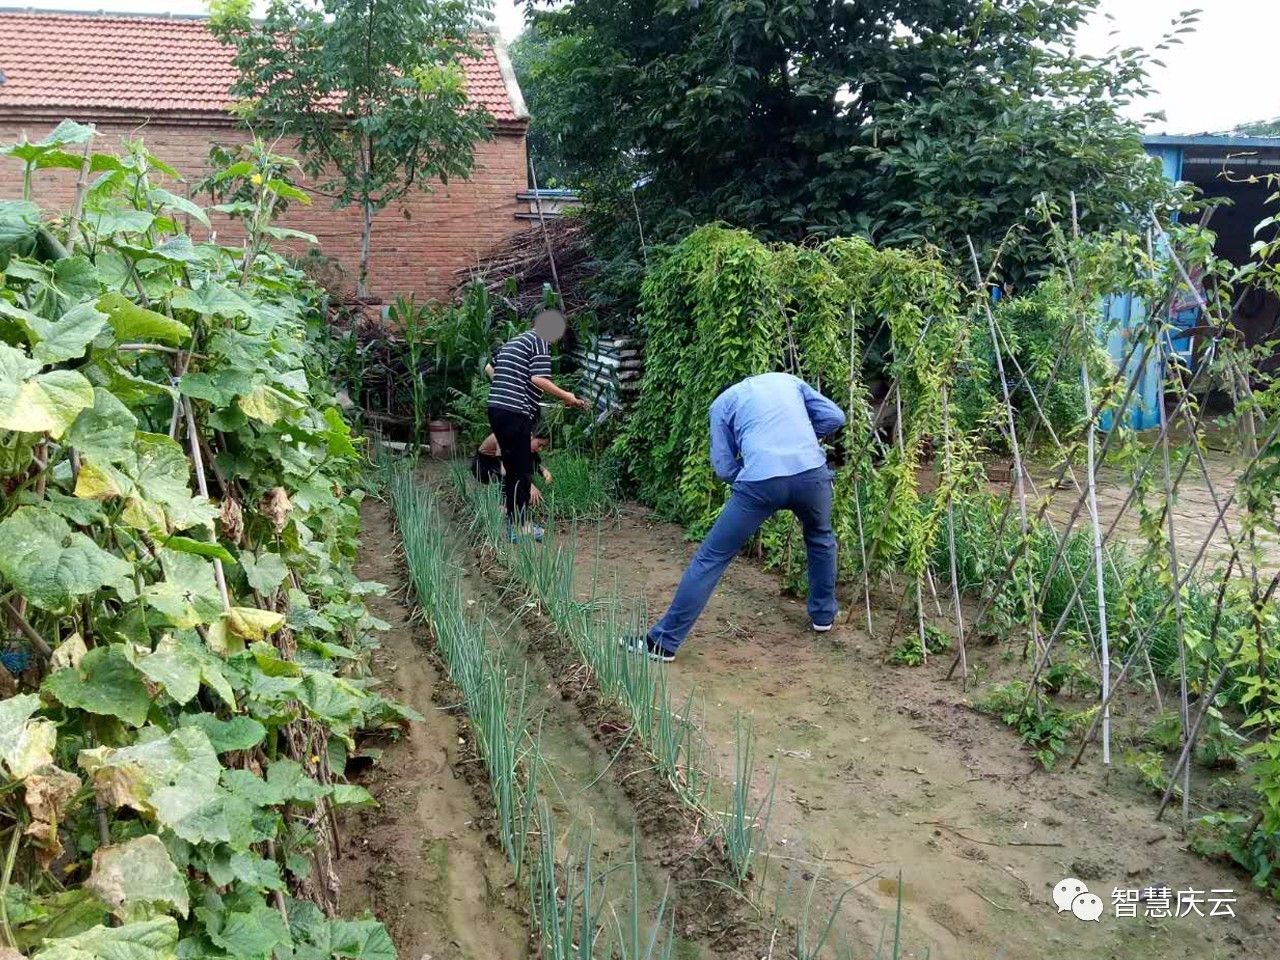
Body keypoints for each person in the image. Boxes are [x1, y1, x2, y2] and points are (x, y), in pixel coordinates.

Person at [623, 372, 846, 662]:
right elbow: (835, 416)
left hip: (760, 484)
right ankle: (823, 616)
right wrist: (801, 439)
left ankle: (663, 643)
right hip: (811, 477)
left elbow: (723, 465)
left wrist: (750, 473)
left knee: (711, 557)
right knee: (821, 540)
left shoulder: (722, 403)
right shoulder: (787, 381)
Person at [487, 310, 587, 539]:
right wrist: (567, 396)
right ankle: (522, 527)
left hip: (497, 409)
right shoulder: (538, 341)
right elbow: (539, 379)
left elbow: (490, 369)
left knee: (513, 468)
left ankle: (512, 524)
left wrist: (509, 389)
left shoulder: (515, 342)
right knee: (521, 470)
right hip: (514, 413)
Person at [471, 431, 554, 505]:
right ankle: (501, 506)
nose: (540, 449)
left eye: (543, 447)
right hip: (483, 466)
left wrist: (543, 471)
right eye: (539, 445)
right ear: (531, 435)